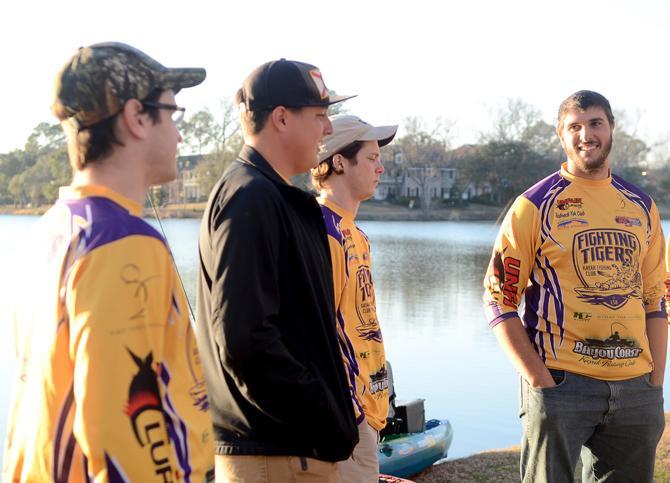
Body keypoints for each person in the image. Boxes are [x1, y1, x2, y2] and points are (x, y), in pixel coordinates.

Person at [2, 43, 214, 482]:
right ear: (137, 117)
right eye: (173, 114)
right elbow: (121, 430)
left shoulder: (49, 230)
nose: (179, 135)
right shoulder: (123, 244)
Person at [483, 90, 667, 483]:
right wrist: (539, 381)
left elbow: (658, 298)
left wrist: (655, 381)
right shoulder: (533, 206)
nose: (586, 135)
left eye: (595, 123)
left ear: (612, 128)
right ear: (561, 136)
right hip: (561, 382)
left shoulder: (641, 205)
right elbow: (499, 299)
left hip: (636, 387)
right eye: (575, 127)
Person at [195, 59, 359, 482]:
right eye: (320, 116)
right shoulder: (251, 199)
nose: (328, 129)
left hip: (287, 453)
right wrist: (323, 413)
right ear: (282, 118)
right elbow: (245, 340)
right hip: (277, 457)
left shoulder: (268, 196)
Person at [311, 114, 397, 482]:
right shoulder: (322, 232)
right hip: (346, 417)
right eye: (372, 158)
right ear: (339, 162)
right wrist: (350, 409)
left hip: (368, 409)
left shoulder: (354, 233)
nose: (381, 167)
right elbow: (316, 332)